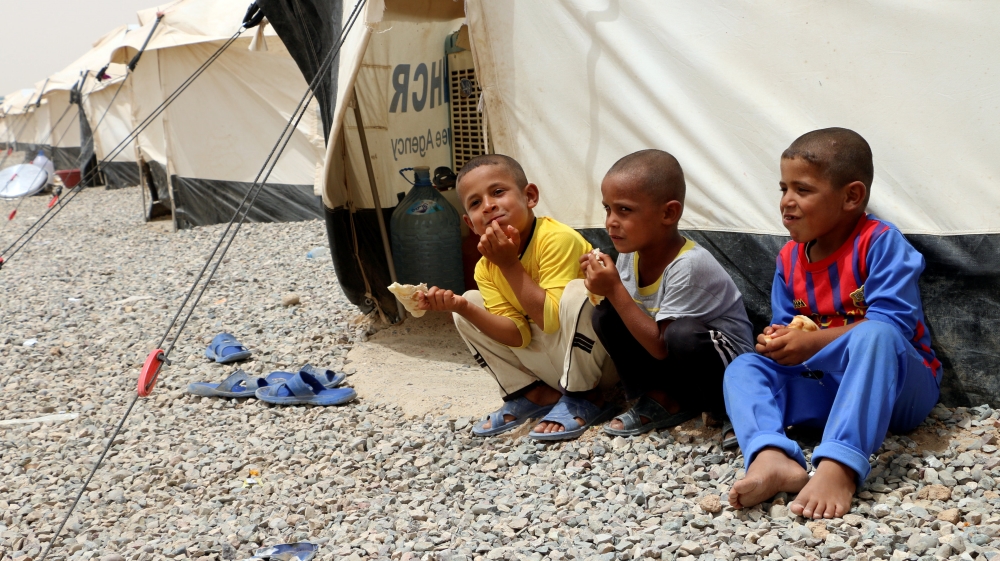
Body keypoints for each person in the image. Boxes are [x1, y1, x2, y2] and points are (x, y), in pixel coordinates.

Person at [725, 128, 942, 519]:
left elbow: (894, 326)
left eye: (803, 190)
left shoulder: (880, 243)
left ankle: (840, 464)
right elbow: (787, 323)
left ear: (851, 196)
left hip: (899, 391)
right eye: (783, 189)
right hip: (828, 388)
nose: (787, 202)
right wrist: (779, 340)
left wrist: (812, 343)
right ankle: (771, 455)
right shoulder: (789, 259)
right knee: (743, 367)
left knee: (876, 334)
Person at [417, 154, 615, 440]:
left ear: (530, 196)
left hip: (597, 365)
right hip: (552, 363)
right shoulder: (485, 267)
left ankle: (585, 397)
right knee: (469, 304)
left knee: (577, 292)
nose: (488, 205)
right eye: (476, 203)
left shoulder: (556, 239)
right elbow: (517, 336)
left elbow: (551, 322)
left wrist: (510, 264)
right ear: (469, 223)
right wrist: (459, 306)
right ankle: (533, 394)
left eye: (498, 192)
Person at [582, 149, 754, 438]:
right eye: (607, 209)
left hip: (730, 372)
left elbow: (662, 345)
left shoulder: (689, 265)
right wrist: (602, 290)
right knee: (605, 315)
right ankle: (663, 398)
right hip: (677, 361)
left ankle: (730, 410)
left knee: (681, 333)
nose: (610, 221)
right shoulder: (630, 254)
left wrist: (613, 288)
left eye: (624, 210)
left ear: (668, 213)